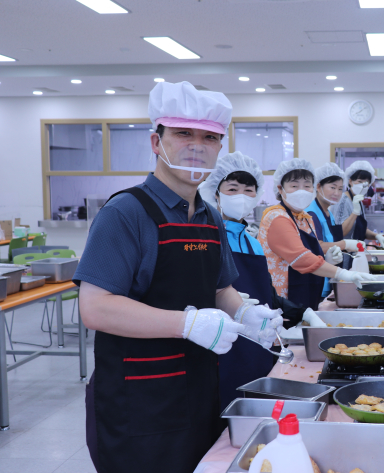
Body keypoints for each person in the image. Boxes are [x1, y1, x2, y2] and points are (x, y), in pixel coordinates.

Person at [75, 81, 283, 473]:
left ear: (220, 147)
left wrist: (245, 314)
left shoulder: (210, 216)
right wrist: (185, 323)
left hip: (201, 389)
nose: (197, 145)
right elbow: (96, 308)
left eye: (209, 137)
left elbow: (220, 288)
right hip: (138, 401)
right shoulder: (125, 214)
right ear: (157, 141)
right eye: (183, 133)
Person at [199, 151, 326, 410]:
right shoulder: (206, 237)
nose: (241, 197)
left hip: (258, 346)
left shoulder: (251, 241)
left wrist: (302, 313)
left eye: (248, 191)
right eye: (232, 189)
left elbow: (267, 296)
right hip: (222, 348)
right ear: (216, 193)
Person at [258, 159, 377, 311]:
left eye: (307, 186)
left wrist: (326, 258)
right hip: (283, 299)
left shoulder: (304, 217)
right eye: (294, 186)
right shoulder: (277, 217)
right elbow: (301, 258)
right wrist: (343, 273)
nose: (301, 191)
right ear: (281, 189)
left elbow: (311, 251)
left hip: (304, 293)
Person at [305, 162, 365, 298]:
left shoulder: (328, 213)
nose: (337, 193)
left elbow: (335, 238)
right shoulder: (311, 213)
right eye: (332, 187)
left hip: (329, 278)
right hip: (317, 281)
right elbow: (317, 245)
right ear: (318, 186)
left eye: (340, 189)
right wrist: (346, 244)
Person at [331, 160, 384, 248]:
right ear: (350, 181)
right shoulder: (342, 200)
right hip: (343, 253)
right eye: (359, 181)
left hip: (356, 251)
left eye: (366, 183)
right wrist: (354, 213)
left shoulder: (358, 200)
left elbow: (359, 229)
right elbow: (339, 233)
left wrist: (376, 236)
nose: (363, 185)